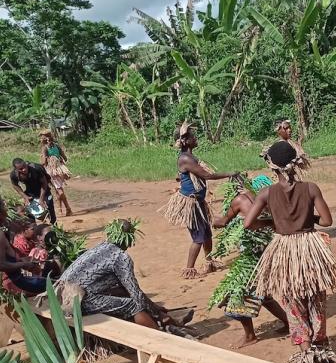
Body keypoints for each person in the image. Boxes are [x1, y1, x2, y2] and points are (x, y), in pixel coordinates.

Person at [244, 141, 336, 363]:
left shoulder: (266, 193)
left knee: (291, 299)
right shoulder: (310, 188)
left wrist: (272, 221)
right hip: (309, 247)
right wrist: (310, 218)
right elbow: (328, 221)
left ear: (272, 167)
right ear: (296, 163)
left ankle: (305, 350)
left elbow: (249, 223)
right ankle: (320, 345)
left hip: (284, 250)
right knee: (315, 297)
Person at [57, 219, 186, 330]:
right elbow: (136, 294)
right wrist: (157, 312)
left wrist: (155, 307)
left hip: (59, 295)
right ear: (128, 239)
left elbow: (124, 288)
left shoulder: (99, 247)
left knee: (122, 292)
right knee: (133, 305)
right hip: (77, 302)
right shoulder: (121, 257)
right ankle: (158, 338)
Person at [210, 174, 289, 348]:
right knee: (264, 295)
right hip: (269, 253)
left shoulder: (239, 200)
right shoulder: (268, 199)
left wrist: (210, 219)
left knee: (237, 293)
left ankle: (250, 335)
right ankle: (289, 323)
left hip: (251, 258)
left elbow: (223, 222)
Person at [160, 121, 237, 279]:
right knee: (199, 237)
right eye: (193, 136)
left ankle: (209, 263)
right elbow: (207, 175)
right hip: (191, 203)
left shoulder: (189, 157)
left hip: (198, 202)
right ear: (186, 141)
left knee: (207, 234)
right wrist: (230, 174)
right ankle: (189, 269)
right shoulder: (186, 159)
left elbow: (185, 175)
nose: (196, 138)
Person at [0, 197, 44, 295]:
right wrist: (24, 265)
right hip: (16, 282)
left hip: (17, 278)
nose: (6, 211)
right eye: (3, 207)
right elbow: (2, 265)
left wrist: (25, 261)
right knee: (52, 283)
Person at [10, 158, 56, 224]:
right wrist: (25, 196)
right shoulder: (14, 174)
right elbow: (15, 185)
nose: (24, 169)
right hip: (30, 192)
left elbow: (44, 183)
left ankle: (54, 227)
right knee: (29, 212)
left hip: (44, 190)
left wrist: (41, 199)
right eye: (21, 169)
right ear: (16, 169)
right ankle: (34, 229)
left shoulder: (36, 168)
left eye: (24, 166)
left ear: (25, 163)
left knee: (49, 209)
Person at [39, 130, 72, 216]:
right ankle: (61, 210)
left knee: (59, 191)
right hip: (60, 170)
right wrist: (57, 159)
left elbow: (43, 163)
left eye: (41, 136)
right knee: (58, 190)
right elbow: (65, 158)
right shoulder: (57, 146)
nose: (40, 138)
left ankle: (68, 208)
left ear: (44, 138)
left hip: (52, 172)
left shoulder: (45, 148)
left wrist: (45, 159)